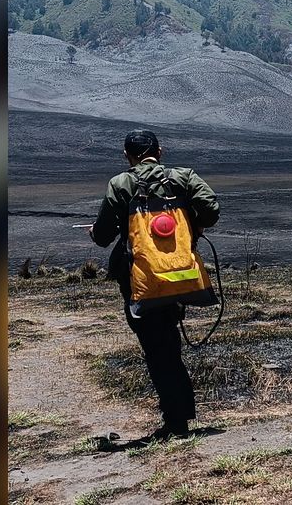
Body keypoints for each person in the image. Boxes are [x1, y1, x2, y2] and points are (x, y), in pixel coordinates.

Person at [87, 129, 220, 441]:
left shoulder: (121, 184)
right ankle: (181, 413)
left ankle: (175, 421)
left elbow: (104, 235)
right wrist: (194, 224)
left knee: (157, 349)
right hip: (180, 275)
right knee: (169, 343)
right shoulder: (183, 177)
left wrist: (95, 232)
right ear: (160, 151)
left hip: (141, 280)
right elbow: (211, 210)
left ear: (127, 155)